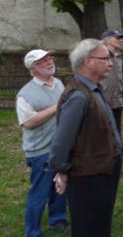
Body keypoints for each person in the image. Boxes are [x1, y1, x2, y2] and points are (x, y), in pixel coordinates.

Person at [49, 39, 123, 237]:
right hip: (89, 177)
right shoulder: (79, 96)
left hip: (101, 171)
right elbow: (62, 140)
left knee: (100, 226)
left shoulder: (92, 89)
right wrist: (61, 170)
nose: (110, 63)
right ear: (88, 61)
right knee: (88, 228)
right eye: (105, 58)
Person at [16, 49, 69, 236]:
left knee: (60, 186)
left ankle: (58, 220)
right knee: (39, 192)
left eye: (49, 58)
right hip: (39, 151)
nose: (49, 62)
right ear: (33, 68)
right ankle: (32, 231)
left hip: (60, 146)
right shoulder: (25, 94)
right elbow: (28, 122)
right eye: (43, 61)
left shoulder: (59, 84)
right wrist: (56, 107)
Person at [101, 29, 123, 134]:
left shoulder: (119, 56)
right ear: (107, 40)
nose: (120, 40)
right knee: (106, 132)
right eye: (117, 38)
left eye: (120, 38)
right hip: (105, 99)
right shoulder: (102, 56)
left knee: (117, 131)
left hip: (117, 100)